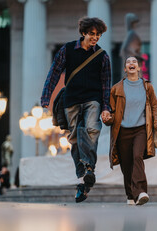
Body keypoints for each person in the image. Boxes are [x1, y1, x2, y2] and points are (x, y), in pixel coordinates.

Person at [41, 17, 112, 203]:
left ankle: (88, 167)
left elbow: (106, 85)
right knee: (74, 139)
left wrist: (106, 107)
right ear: (83, 33)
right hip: (71, 100)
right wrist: (45, 98)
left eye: (98, 35)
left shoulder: (103, 56)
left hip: (93, 100)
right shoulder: (67, 49)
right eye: (92, 34)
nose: (95, 37)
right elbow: (54, 73)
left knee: (91, 131)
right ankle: (84, 180)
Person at [103, 56, 157, 206]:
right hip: (122, 131)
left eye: (134, 62)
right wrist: (107, 118)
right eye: (128, 62)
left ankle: (141, 191)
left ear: (139, 67)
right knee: (126, 164)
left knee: (137, 157)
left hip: (141, 129)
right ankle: (131, 195)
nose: (131, 63)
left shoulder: (147, 87)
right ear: (125, 69)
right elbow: (111, 111)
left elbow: (154, 106)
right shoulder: (116, 88)